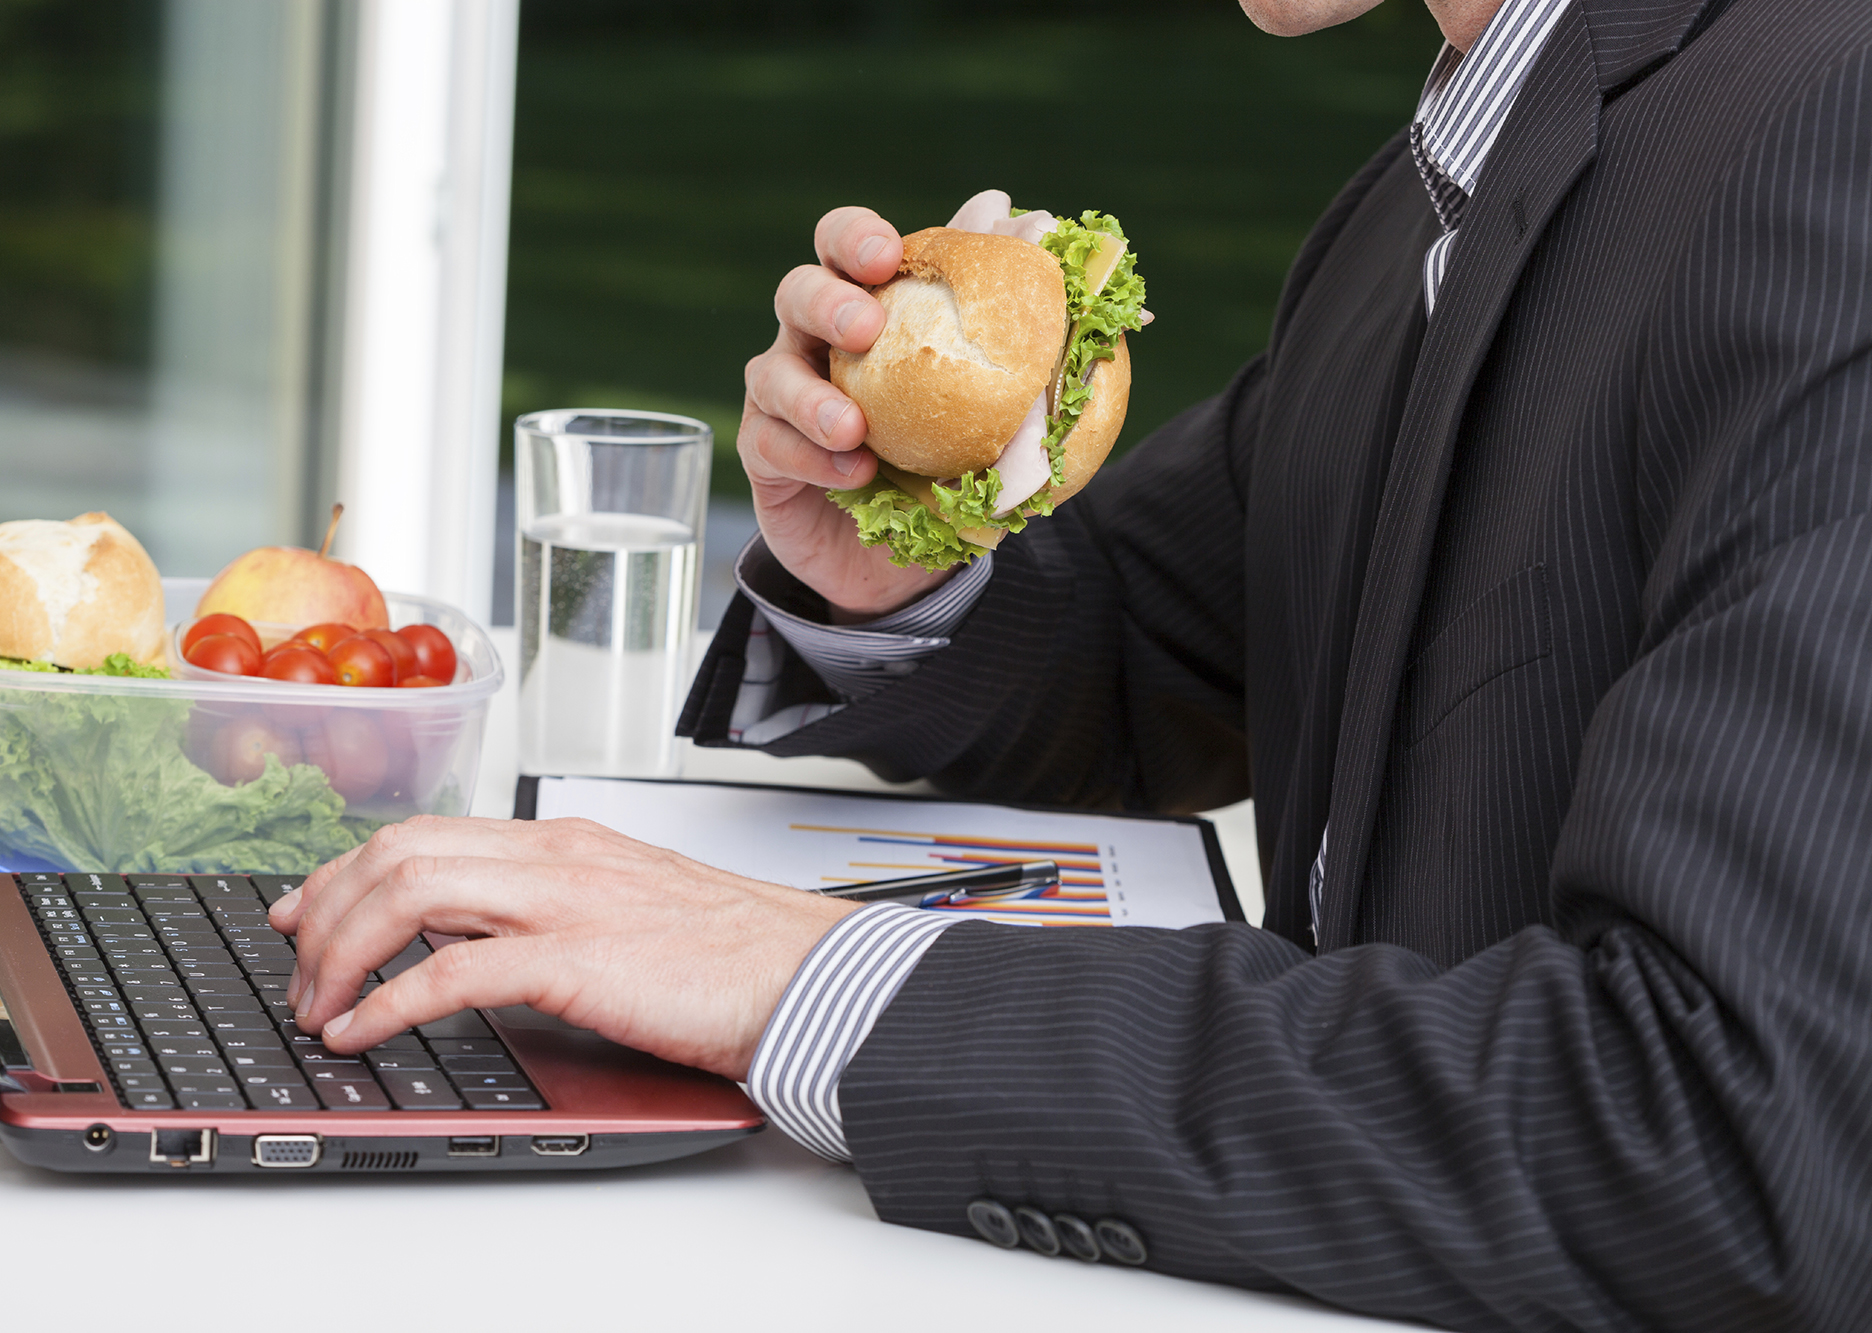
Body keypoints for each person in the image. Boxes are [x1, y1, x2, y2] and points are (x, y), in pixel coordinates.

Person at [274, 0, 1872, 1325]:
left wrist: (797, 974)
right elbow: (1157, 642)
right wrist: (897, 567)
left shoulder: (1831, 132)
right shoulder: (1432, 183)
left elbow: (1720, 1127)